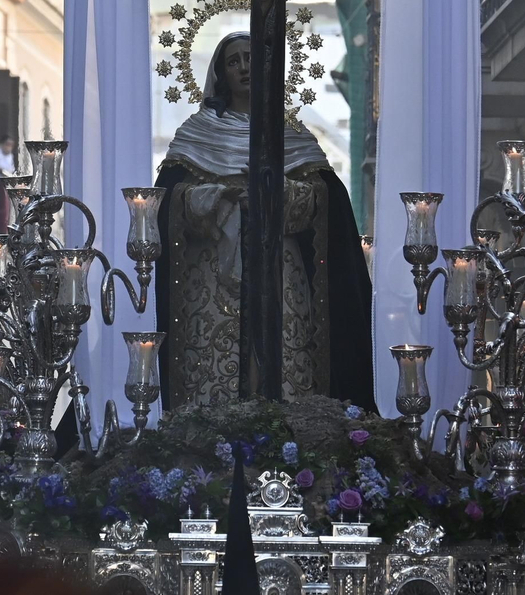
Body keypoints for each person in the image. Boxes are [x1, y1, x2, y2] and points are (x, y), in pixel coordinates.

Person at [154, 31, 376, 409]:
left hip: (282, 270)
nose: (244, 67)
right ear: (221, 73)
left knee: (283, 357)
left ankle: (289, 446)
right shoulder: (196, 134)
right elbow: (168, 203)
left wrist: (277, 197)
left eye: (252, 59)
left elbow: (325, 201)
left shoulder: (291, 135)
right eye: (234, 60)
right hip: (211, 278)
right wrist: (214, 199)